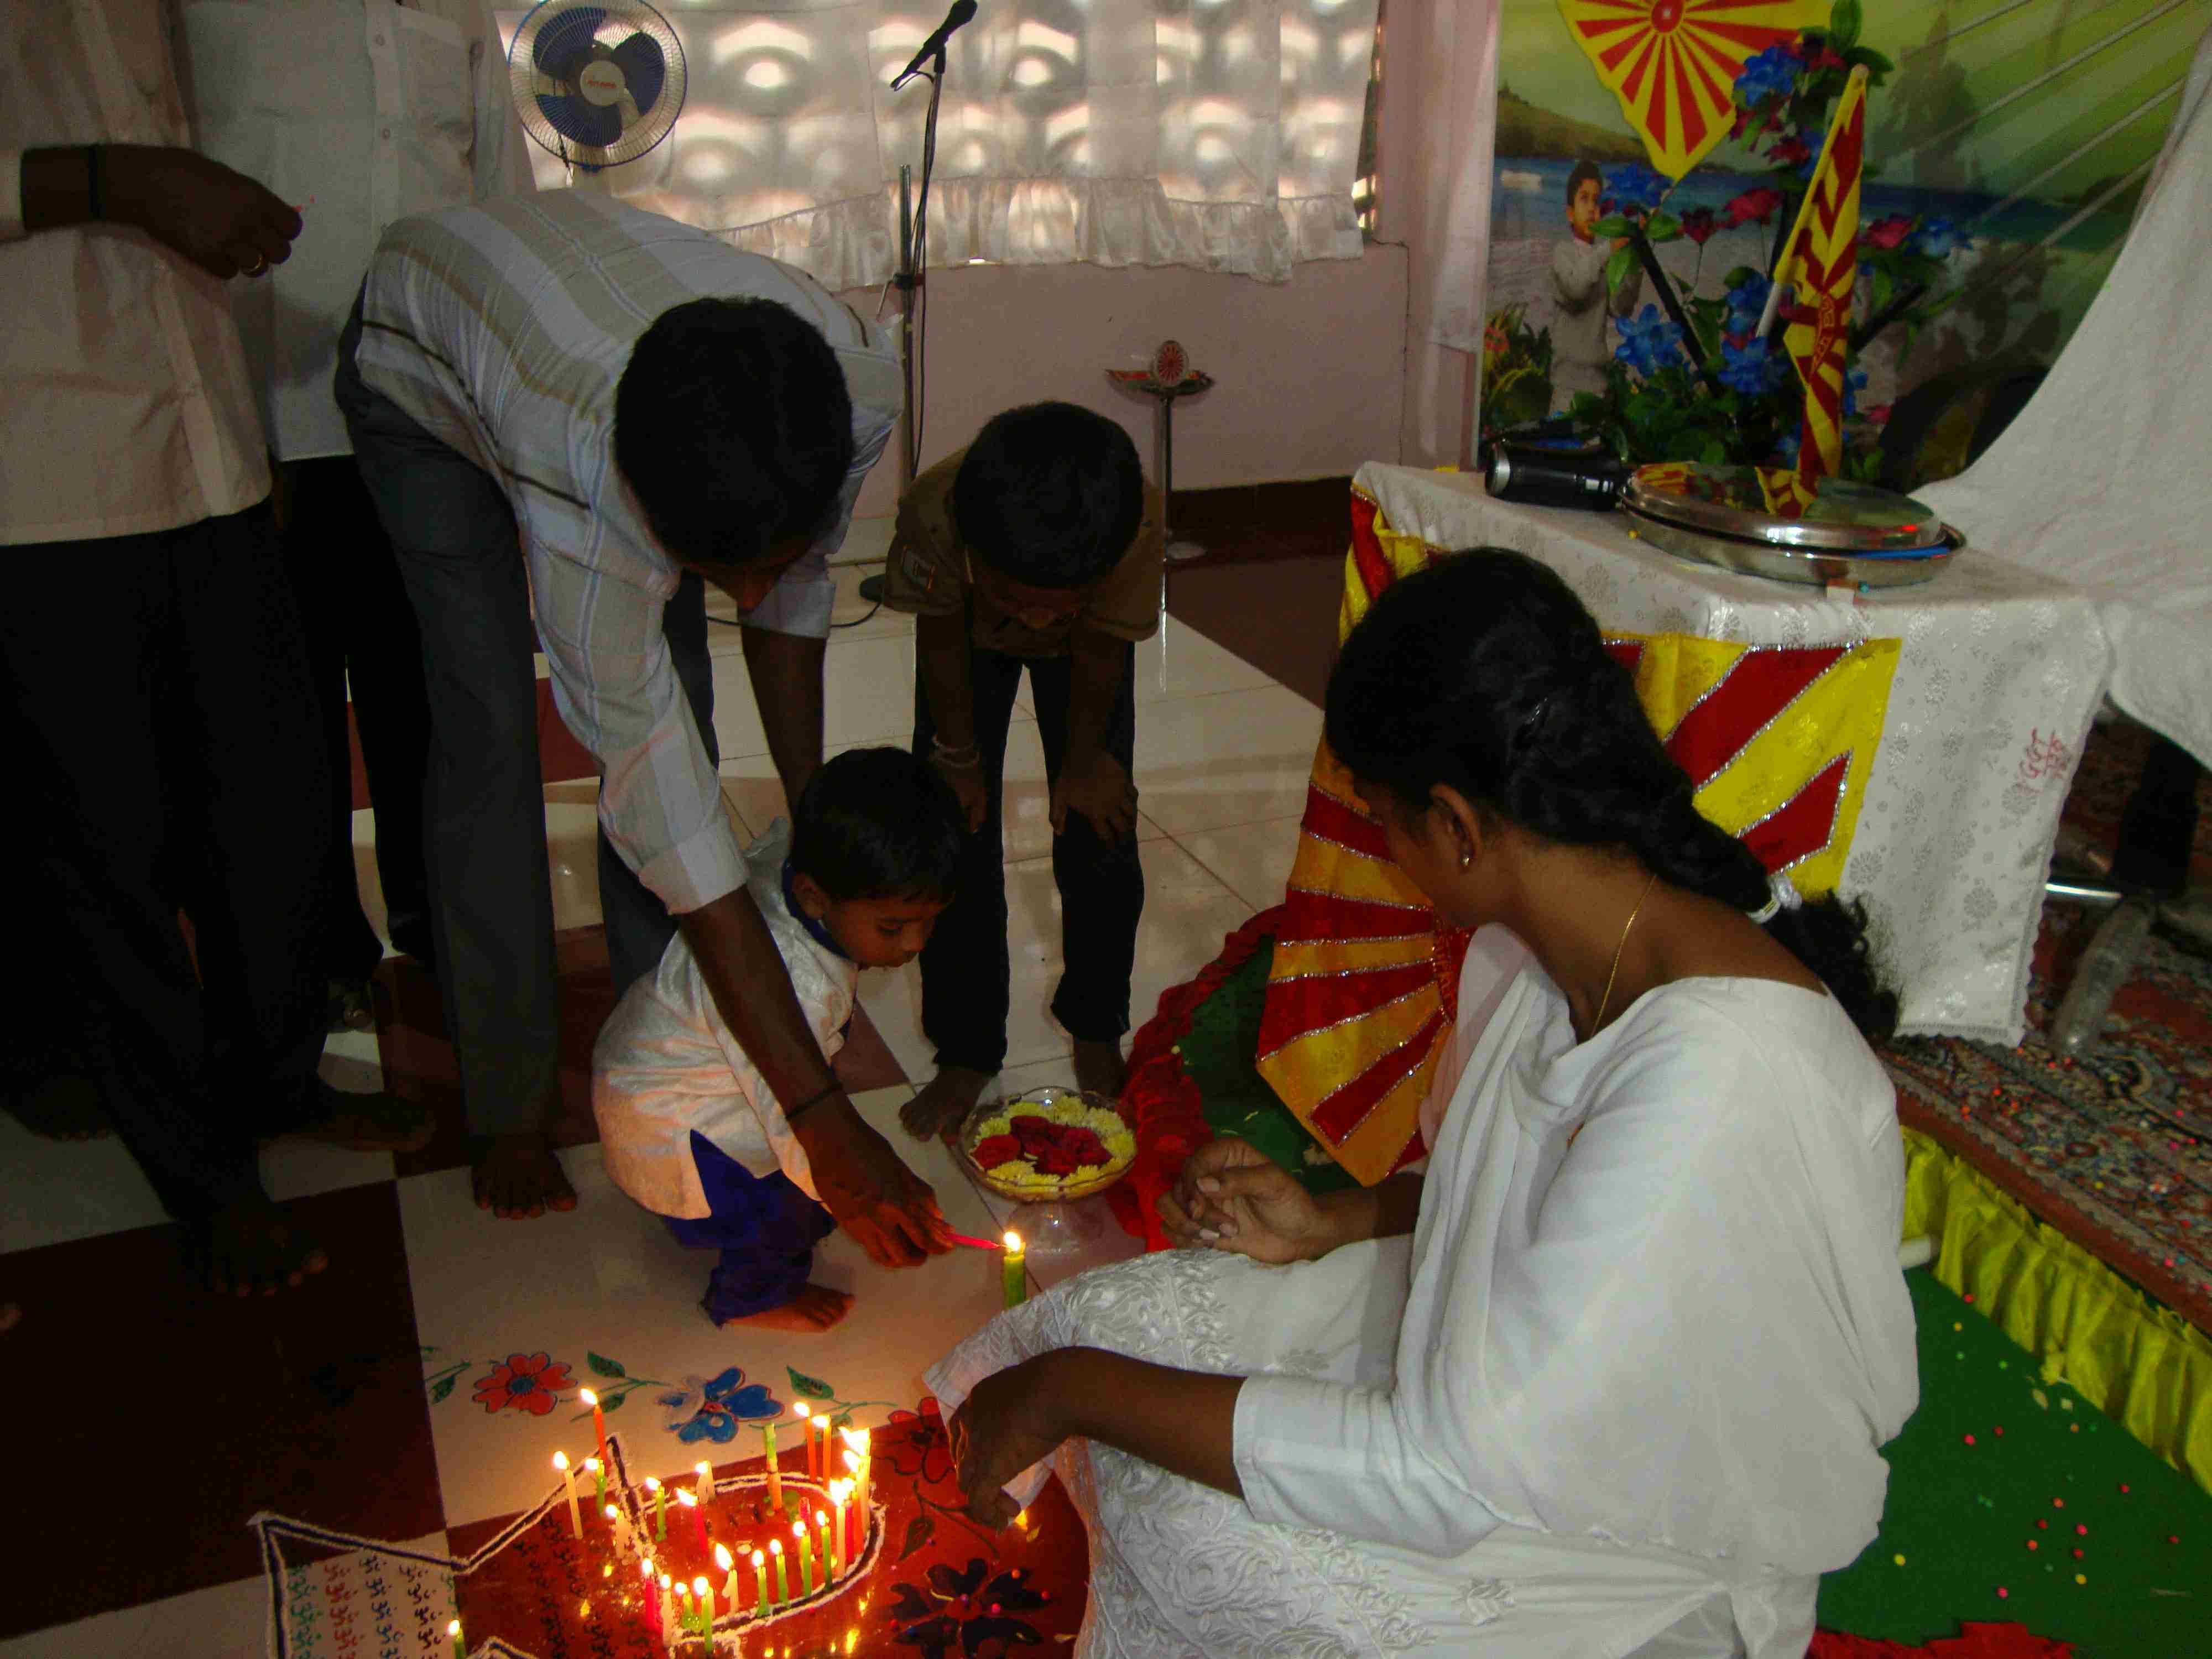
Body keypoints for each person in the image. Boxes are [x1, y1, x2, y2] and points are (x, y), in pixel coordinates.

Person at [926, 550, 1919, 1657]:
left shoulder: (1718, 1077)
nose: (1387, 858)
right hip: (1502, 1372)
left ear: (1453, 823)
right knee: (1100, 1319)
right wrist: (1332, 1220)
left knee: (1191, 1516)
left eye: (1382, 823)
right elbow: (1504, 1192)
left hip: (1639, 1496)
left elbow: (1445, 1478)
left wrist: (1070, 1395)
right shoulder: (1540, 945)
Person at [337, 190, 953, 1269]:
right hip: (423, 366)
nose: (746, 593)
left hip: (582, 325)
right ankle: (508, 1105)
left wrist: (817, 837)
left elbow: (790, 594)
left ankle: (687, 1025)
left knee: (687, 703)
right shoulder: (583, 484)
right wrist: (817, 1115)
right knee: (490, 733)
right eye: (717, 569)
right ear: (646, 508)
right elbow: (658, 800)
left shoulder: (851, 384)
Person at [1, 2, 430, 1296]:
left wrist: (233, 427)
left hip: (204, 446)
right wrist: (111, 182)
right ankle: (202, 1177)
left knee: (276, 808)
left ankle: (274, 1082)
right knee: (107, 856)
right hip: (41, 481)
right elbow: (122, 176)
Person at [179, 0, 534, 1021]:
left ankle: (442, 932)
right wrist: (222, 413)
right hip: (269, 421)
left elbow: (504, 204)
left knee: (431, 702)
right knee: (285, 722)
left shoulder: (455, 12)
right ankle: (323, 953)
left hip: (433, 418)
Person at [594, 749, 964, 1332]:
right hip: (670, 1116)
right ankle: (750, 1298)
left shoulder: (798, 869)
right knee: (784, 1205)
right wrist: (844, 1193)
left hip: (655, 1073)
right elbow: (799, 1121)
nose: (915, 945)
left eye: (930, 922)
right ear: (814, 898)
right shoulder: (792, 980)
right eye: (892, 927)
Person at [883, 403, 1160, 1141]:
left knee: (1101, 826)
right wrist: (957, 758)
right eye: (1014, 599)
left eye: (1051, 607)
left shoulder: (1131, 521)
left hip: (1090, 649)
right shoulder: (937, 513)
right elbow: (940, 634)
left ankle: (1097, 1027)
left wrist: (1085, 761)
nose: (1034, 624)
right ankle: (965, 1048)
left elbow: (1103, 641)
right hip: (965, 646)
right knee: (953, 834)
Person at [1549, 159, 1642, 415]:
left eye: (1597, 201)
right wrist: (1608, 249)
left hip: (1598, 384)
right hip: (1566, 385)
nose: (1592, 208)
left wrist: (1633, 259)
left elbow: (1621, 308)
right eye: (1584, 199)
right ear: (1570, 213)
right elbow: (1576, 289)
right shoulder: (1562, 253)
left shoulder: (1604, 260)